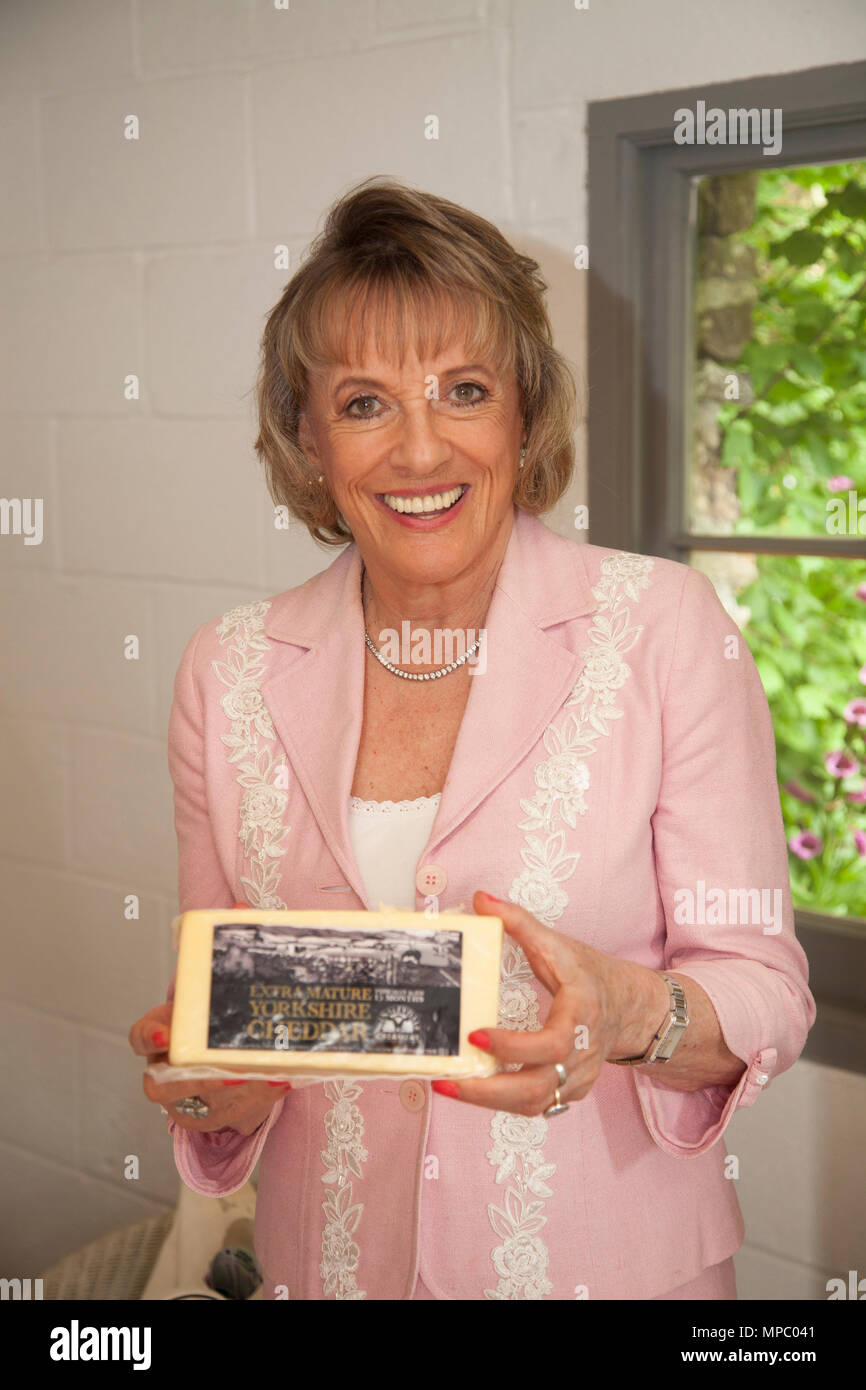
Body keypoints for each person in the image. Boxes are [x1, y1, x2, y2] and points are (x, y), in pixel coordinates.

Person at [129, 176, 815, 1300]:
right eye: (362, 403)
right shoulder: (229, 667)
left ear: (524, 412)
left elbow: (766, 989)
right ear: (305, 437)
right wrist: (217, 1091)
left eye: (462, 390)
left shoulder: (660, 628)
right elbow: (226, 1008)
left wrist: (631, 1013)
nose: (416, 449)